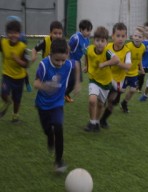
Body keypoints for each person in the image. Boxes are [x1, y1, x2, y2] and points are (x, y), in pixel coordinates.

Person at [33, 38, 80, 173]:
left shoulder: (68, 64)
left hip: (58, 103)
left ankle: (58, 161)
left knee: (59, 126)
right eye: (57, 60)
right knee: (48, 130)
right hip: (42, 105)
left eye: (63, 60)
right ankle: (49, 136)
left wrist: (77, 83)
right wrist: (46, 86)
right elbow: (36, 83)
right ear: (50, 54)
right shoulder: (44, 65)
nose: (60, 63)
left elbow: (76, 64)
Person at [83, 26, 119, 132]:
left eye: (102, 41)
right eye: (97, 40)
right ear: (93, 41)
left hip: (106, 83)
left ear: (107, 42)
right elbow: (86, 54)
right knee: (92, 100)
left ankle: (97, 122)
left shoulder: (107, 52)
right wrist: (86, 66)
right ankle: (91, 122)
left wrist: (105, 64)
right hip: (93, 79)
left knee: (100, 104)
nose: (99, 43)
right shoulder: (89, 49)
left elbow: (116, 60)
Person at [99, 22, 131, 129]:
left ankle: (103, 120)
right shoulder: (107, 47)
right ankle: (95, 120)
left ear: (126, 37)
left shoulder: (127, 51)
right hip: (105, 78)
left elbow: (128, 66)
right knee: (101, 101)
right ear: (112, 36)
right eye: (118, 36)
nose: (120, 38)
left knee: (111, 102)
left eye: (123, 36)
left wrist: (117, 62)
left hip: (118, 81)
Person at [0, 19, 30, 122]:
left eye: (16, 33)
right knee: (3, 93)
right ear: (7, 34)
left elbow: (27, 64)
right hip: (7, 75)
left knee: (17, 99)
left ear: (19, 34)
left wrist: (17, 60)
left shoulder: (23, 47)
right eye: (11, 33)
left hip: (19, 78)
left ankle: (15, 115)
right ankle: (7, 101)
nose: (13, 35)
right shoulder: (3, 43)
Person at [65, 19, 93, 103]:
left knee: (77, 79)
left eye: (90, 30)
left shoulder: (87, 40)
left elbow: (86, 53)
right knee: (74, 80)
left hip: (78, 62)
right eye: (87, 30)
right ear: (81, 29)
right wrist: (65, 60)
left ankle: (64, 94)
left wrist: (86, 65)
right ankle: (64, 94)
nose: (89, 32)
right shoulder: (75, 38)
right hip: (71, 61)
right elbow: (67, 48)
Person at [120, 26, 146, 113]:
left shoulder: (143, 47)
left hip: (134, 72)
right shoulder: (128, 46)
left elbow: (139, 59)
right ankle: (109, 97)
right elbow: (122, 58)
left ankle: (124, 103)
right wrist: (124, 68)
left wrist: (141, 69)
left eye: (140, 37)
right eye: (135, 36)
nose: (137, 38)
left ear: (143, 38)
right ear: (132, 36)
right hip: (125, 73)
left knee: (133, 90)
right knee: (121, 90)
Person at [6, 15, 32, 92]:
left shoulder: (21, 35)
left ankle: (27, 84)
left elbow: (25, 44)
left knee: (24, 70)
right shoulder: (8, 32)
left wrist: (21, 55)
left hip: (20, 55)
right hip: (11, 55)